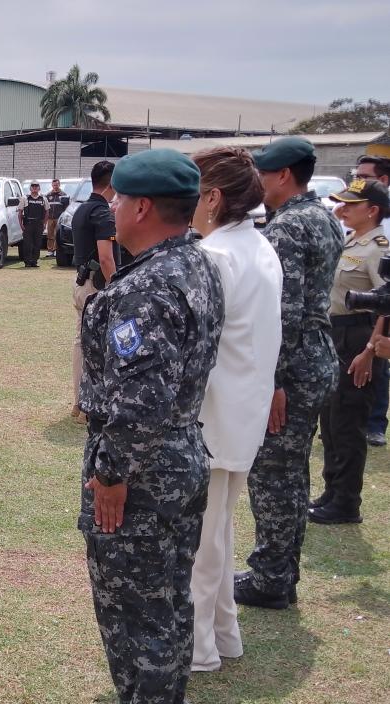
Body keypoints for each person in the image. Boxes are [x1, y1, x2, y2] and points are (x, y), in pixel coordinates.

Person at [78, 148, 223, 704]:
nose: (111, 207)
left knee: (136, 617)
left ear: (140, 207)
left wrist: (112, 475)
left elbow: (139, 404)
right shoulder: (196, 262)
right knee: (166, 604)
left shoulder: (145, 288)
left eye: (117, 198)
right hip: (182, 452)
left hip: (142, 473)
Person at [235, 137, 344, 610]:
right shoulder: (324, 218)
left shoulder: (287, 229)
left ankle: (272, 577)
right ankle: (282, 569)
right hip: (318, 357)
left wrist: (272, 381)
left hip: (292, 366)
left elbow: (285, 310)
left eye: (262, 172)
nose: (256, 181)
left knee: (274, 475)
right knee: (293, 472)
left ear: (283, 176)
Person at [187, 147, 282, 673]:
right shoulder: (258, 246)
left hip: (215, 415)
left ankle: (201, 648)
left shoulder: (216, 255)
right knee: (216, 535)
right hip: (239, 414)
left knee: (202, 543)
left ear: (213, 198)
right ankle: (223, 633)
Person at [310, 180, 390, 526]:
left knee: (348, 422)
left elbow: (386, 304)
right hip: (335, 334)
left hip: (358, 336)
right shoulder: (351, 240)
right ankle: (332, 491)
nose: (343, 209)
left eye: (351, 204)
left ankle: (346, 502)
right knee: (329, 421)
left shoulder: (378, 248)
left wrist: (371, 350)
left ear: (372, 210)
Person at [70, 161, 120, 423]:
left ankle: (79, 402)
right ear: (112, 183)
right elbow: (106, 258)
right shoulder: (102, 214)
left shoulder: (82, 209)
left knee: (81, 342)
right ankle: (88, 405)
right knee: (96, 345)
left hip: (81, 282)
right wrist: (117, 288)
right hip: (97, 285)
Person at [358, 156, 390, 446]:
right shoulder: (352, 233)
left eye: (365, 175)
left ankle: (376, 423)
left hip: (370, 322)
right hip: (344, 321)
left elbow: (385, 295)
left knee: (377, 374)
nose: (360, 177)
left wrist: (373, 340)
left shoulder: (382, 238)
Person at [20, 181, 47, 267]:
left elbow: (47, 212)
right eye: (33, 186)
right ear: (30, 188)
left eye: (36, 186)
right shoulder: (25, 198)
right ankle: (27, 262)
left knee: (37, 244)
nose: (34, 188)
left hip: (39, 224)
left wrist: (44, 223)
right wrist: (21, 224)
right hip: (28, 224)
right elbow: (20, 212)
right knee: (27, 244)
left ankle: (34, 261)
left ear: (39, 188)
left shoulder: (43, 199)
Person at [45, 178, 70, 257]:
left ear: (59, 185)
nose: (55, 186)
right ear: (52, 185)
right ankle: (50, 250)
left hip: (59, 218)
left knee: (57, 234)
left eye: (56, 185)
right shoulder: (48, 195)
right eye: (54, 185)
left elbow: (66, 207)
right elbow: (46, 207)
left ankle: (56, 250)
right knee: (50, 234)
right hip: (50, 218)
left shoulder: (63, 195)